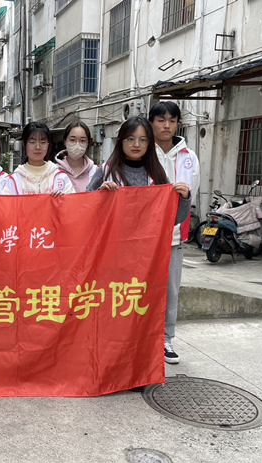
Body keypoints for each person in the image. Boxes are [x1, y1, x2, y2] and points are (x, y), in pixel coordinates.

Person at [88, 117, 190, 369]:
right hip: (114, 254)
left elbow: (174, 218)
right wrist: (100, 195)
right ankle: (110, 348)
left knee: (145, 300)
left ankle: (154, 345)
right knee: (115, 300)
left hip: (147, 256)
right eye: (131, 139)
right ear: (121, 141)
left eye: (143, 140)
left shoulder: (157, 174)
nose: (136, 144)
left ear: (149, 143)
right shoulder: (107, 171)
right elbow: (85, 210)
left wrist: (184, 198)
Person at [149, 101, 200, 365]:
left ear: (178, 123)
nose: (166, 125)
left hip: (174, 237)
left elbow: (191, 196)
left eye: (172, 120)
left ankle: (165, 339)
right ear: (151, 123)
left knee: (170, 292)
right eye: (161, 120)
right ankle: (141, 339)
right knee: (139, 290)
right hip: (144, 239)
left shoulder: (189, 157)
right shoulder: (142, 152)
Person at [0, 122, 74, 196]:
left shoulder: (60, 177)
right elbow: (5, 203)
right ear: (24, 144)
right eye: (32, 142)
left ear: (48, 144)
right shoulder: (15, 180)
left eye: (43, 142)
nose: (38, 147)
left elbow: (72, 202)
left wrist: (62, 199)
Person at [55, 121, 99, 192]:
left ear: (88, 143)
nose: (77, 144)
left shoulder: (95, 172)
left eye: (82, 140)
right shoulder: (54, 171)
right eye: (72, 140)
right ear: (65, 142)